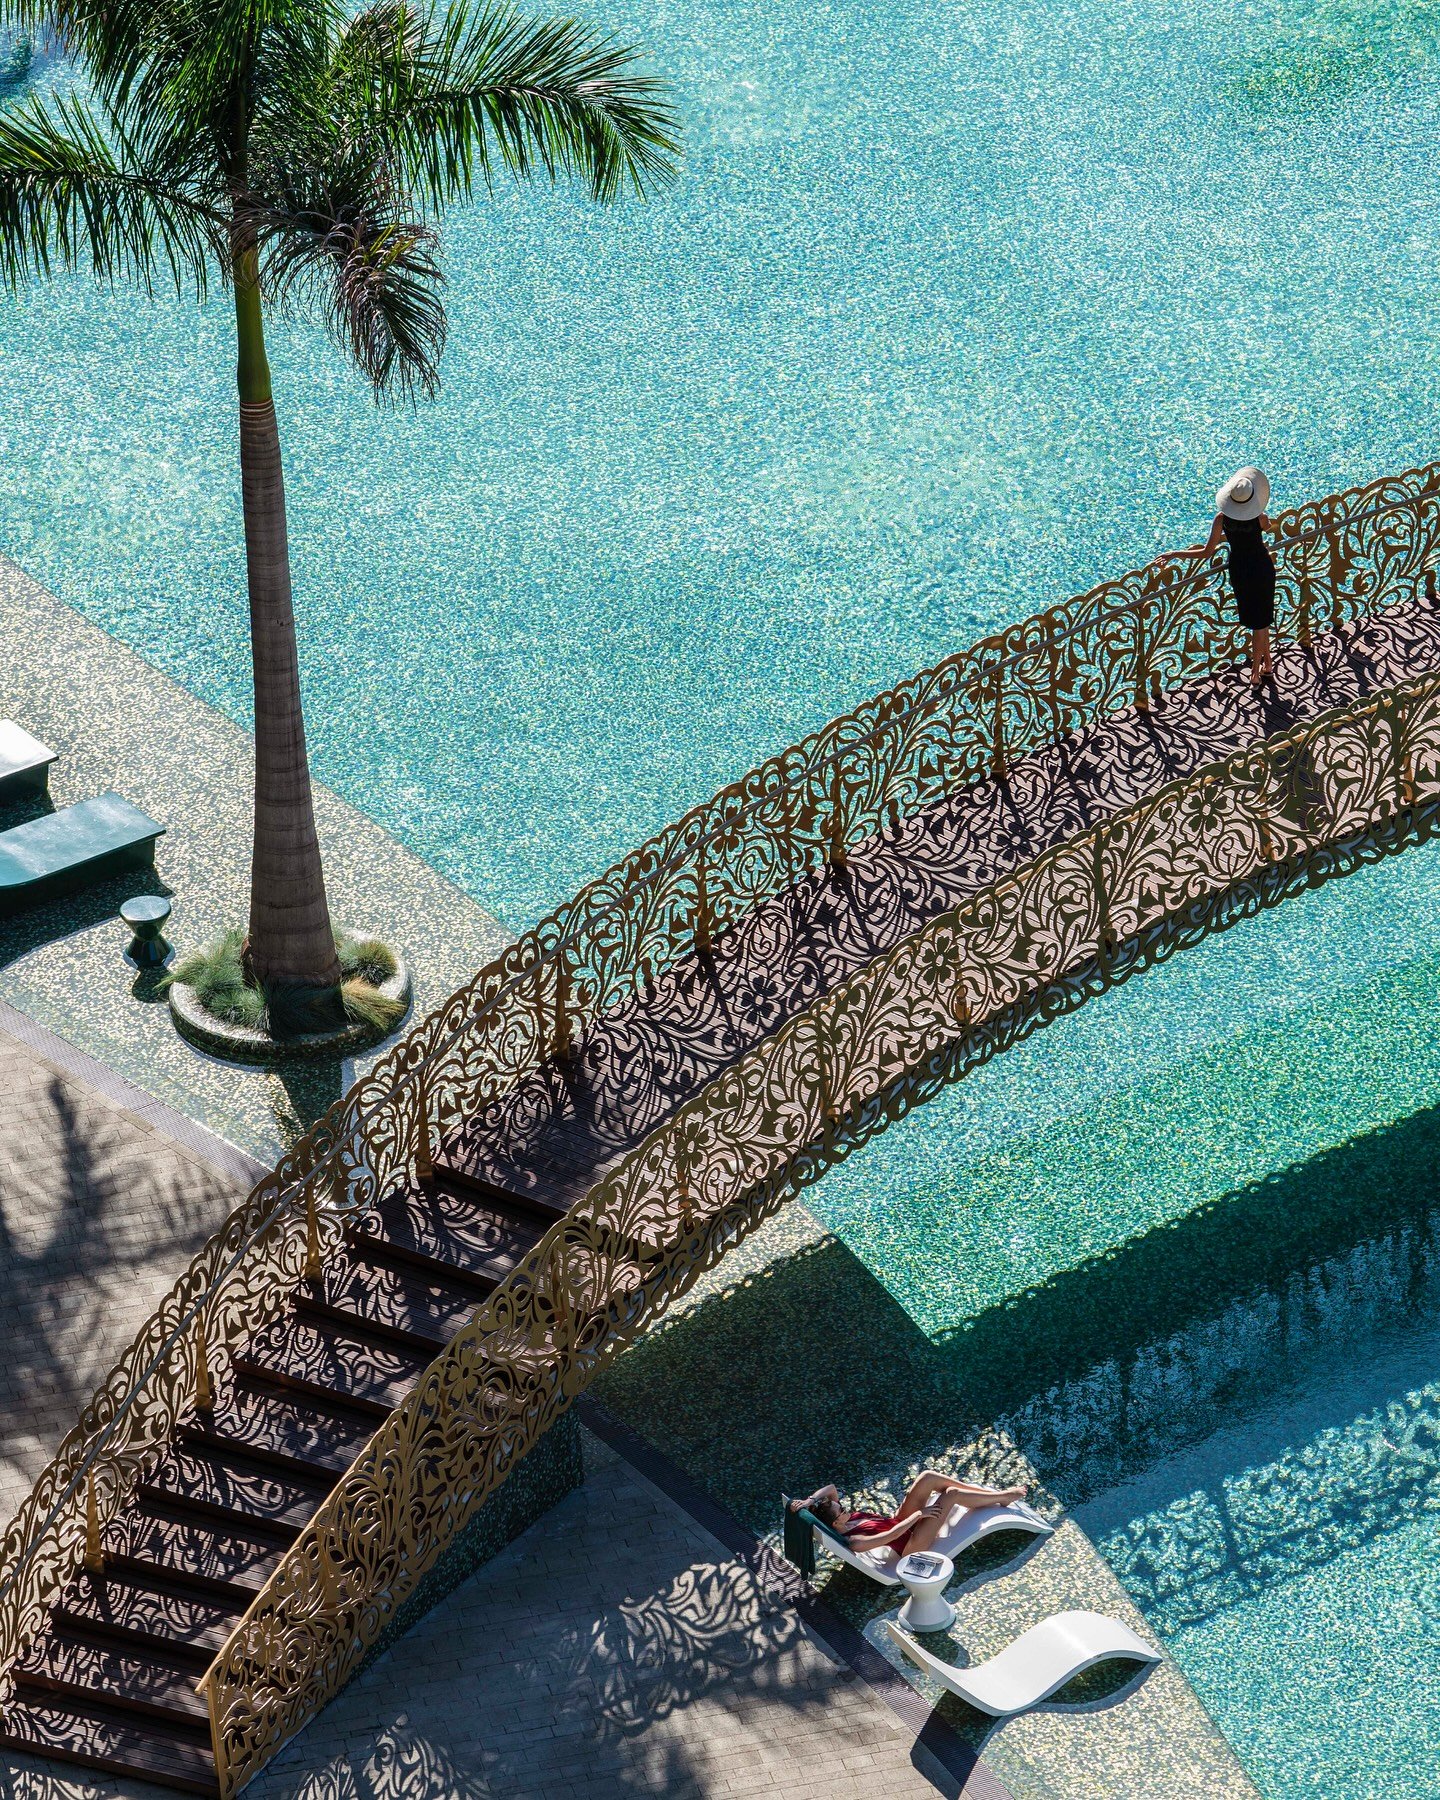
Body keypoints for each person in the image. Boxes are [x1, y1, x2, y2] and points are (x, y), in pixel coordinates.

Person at [1164, 465, 1277, 689]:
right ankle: (1257, 671)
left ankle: (1266, 666)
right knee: (1261, 621)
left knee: (1259, 621)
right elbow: (1268, 528)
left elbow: (1207, 551)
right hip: (1262, 567)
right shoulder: (1260, 518)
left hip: (1240, 570)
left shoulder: (1221, 519)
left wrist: (1175, 554)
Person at [788, 1469, 1029, 1557]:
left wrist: (810, 1500)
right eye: (841, 1508)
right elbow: (890, 1536)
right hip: (911, 1544)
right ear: (837, 1520)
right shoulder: (854, 1541)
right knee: (952, 1494)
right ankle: (1003, 1497)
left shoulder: (841, 1519)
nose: (845, 1506)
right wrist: (920, 1515)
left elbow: (830, 1489)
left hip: (900, 1522)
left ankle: (977, 1494)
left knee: (927, 1477)